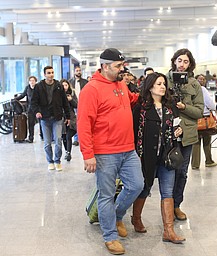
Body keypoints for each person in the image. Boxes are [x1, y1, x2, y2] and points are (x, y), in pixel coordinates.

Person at [77, 48, 144, 255]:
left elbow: (130, 100)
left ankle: (116, 215)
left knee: (136, 185)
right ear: (105, 66)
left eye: (122, 65)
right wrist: (88, 154)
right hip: (105, 153)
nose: (121, 70)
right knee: (105, 195)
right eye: (117, 66)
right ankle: (110, 236)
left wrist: (146, 92)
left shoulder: (121, 85)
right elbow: (83, 123)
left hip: (128, 149)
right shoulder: (91, 89)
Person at [132, 72, 185, 244]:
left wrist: (179, 132)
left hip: (166, 155)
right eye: (158, 84)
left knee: (167, 191)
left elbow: (177, 126)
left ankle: (168, 230)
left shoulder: (170, 107)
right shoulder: (140, 109)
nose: (163, 87)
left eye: (164, 84)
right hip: (146, 156)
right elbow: (133, 134)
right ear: (150, 87)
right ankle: (136, 218)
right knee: (145, 188)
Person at [167, 48, 204, 221]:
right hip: (167, 133)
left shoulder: (194, 84)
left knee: (182, 172)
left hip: (187, 134)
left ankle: (176, 205)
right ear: (174, 61)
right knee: (167, 171)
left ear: (190, 64)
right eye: (179, 60)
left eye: (186, 61)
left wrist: (184, 107)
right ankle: (166, 206)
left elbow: (199, 111)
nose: (182, 64)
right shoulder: (164, 81)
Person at [31, 66, 70, 171]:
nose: (51, 74)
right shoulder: (39, 87)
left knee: (58, 140)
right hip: (45, 118)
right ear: (44, 74)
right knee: (47, 142)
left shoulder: (58, 86)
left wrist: (68, 116)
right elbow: (33, 102)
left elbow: (65, 102)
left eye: (52, 72)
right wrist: (37, 112)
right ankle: (50, 161)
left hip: (57, 118)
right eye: (48, 73)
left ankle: (57, 161)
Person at [191, 74, 217, 169]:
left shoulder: (190, 89)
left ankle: (195, 164)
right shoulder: (203, 89)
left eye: (203, 79)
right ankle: (209, 160)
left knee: (195, 143)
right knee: (207, 142)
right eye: (200, 79)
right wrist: (216, 108)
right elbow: (210, 103)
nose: (202, 81)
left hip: (194, 119)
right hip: (205, 119)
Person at [69, 66, 88, 146]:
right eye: (77, 71)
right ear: (74, 72)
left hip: (83, 103)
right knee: (75, 121)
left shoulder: (85, 82)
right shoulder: (70, 82)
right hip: (73, 103)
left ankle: (82, 138)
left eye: (80, 70)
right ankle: (76, 138)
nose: (78, 72)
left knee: (82, 121)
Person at [15, 76, 38, 143]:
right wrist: (16, 99)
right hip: (30, 109)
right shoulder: (27, 88)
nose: (32, 82)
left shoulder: (38, 88)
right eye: (30, 80)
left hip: (38, 108)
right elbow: (23, 95)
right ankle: (31, 138)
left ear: (35, 81)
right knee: (31, 124)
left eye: (33, 80)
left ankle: (43, 136)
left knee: (41, 123)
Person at [60, 79, 77, 161]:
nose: (64, 87)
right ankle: (67, 151)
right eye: (63, 85)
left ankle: (68, 152)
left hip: (71, 118)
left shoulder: (72, 94)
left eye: (66, 85)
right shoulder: (57, 95)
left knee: (68, 135)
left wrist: (71, 100)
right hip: (62, 118)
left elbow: (77, 105)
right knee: (64, 136)